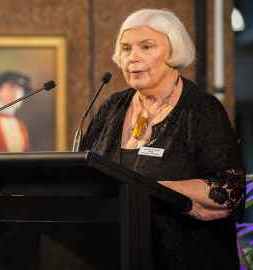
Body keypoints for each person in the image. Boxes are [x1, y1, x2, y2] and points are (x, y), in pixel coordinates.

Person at [80, 9, 246, 269]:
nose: (133, 57)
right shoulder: (113, 107)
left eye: (146, 47)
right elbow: (85, 175)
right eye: (125, 49)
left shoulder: (201, 109)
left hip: (187, 257)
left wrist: (151, 190)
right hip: (117, 255)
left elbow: (228, 190)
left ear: (173, 52)